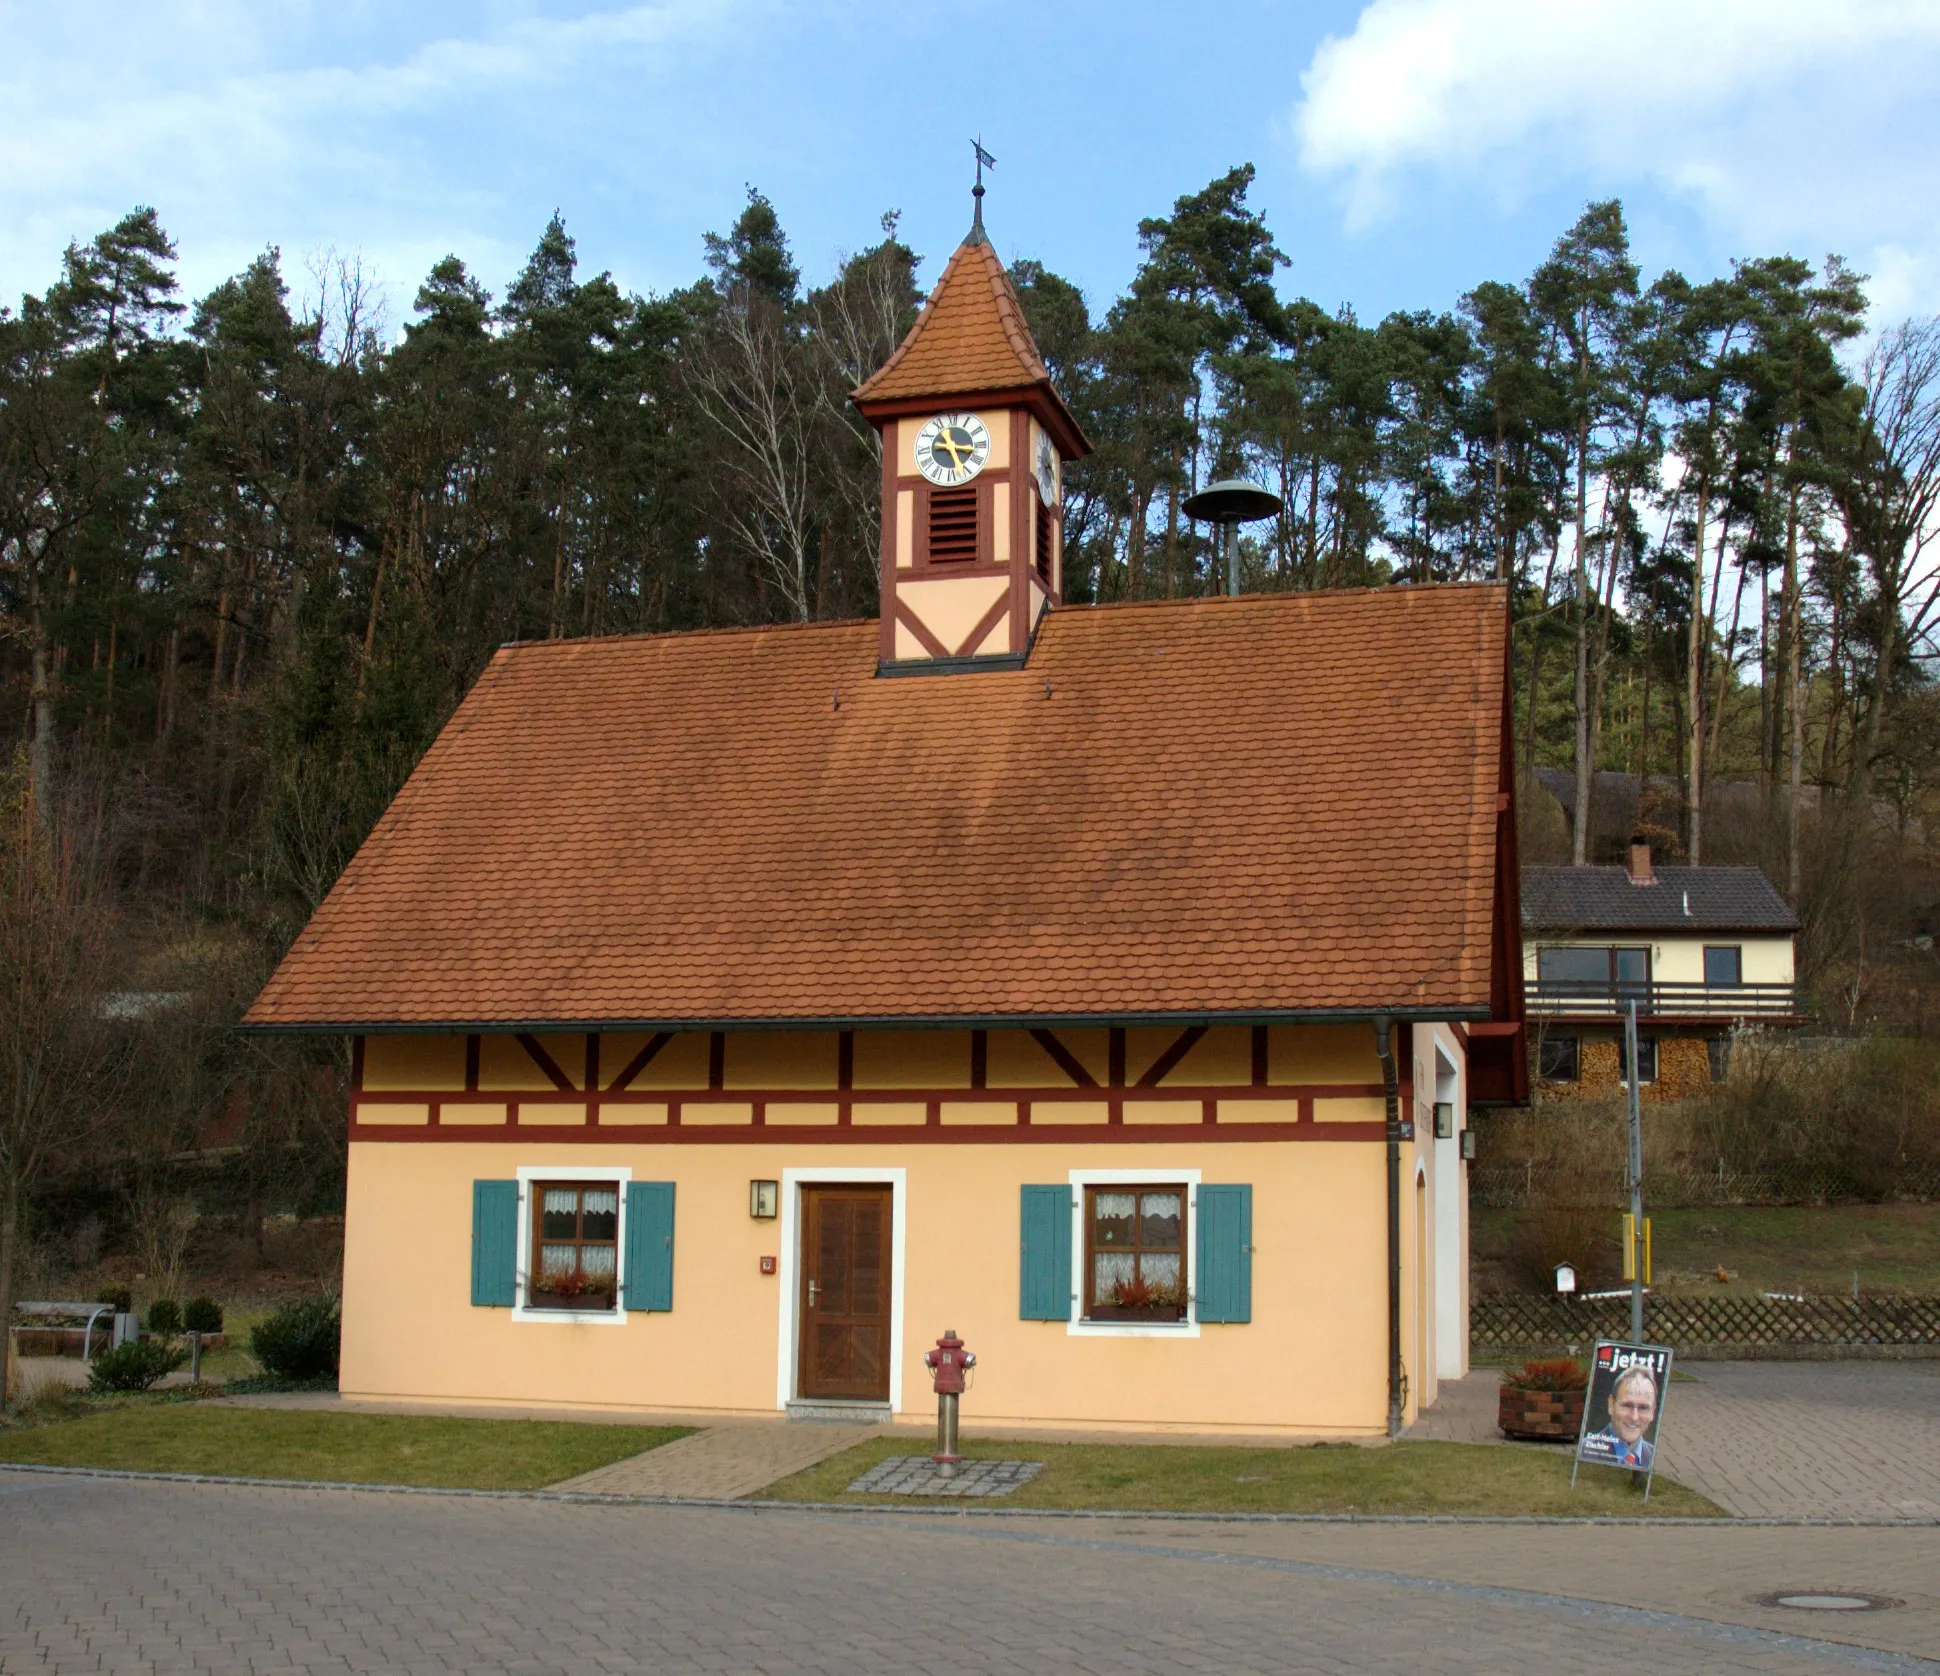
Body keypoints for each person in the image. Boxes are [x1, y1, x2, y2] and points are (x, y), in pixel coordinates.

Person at [1580, 1365, 1657, 1468]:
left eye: (1643, 1408)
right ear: (1611, 1405)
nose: (1634, 1417)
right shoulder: (1585, 1451)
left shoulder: (1653, 1457)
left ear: (1653, 1411)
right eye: (1627, 1405)